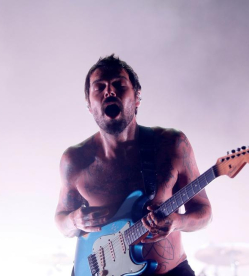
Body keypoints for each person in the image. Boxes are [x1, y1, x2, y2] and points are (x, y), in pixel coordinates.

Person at [54, 54, 212, 275]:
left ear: (137, 98)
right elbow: (62, 221)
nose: (109, 91)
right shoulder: (75, 160)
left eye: (119, 85)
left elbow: (204, 212)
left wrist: (177, 222)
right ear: (89, 105)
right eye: (99, 87)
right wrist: (73, 220)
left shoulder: (172, 144)